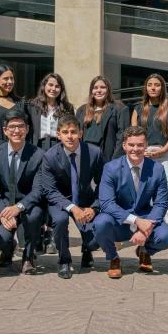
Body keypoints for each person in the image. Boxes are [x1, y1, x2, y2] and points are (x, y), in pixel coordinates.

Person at [23, 115, 105, 279]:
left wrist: (94, 208)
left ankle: (87, 249)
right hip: (59, 200)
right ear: (58, 135)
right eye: (65, 132)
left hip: (85, 199)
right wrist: (72, 208)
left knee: (94, 241)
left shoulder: (94, 153)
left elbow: (103, 183)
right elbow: (50, 190)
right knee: (60, 221)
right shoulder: (50, 156)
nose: (70, 136)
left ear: (81, 133)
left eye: (74, 132)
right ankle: (64, 260)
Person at [94, 127, 168, 278]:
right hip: (119, 220)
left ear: (146, 146)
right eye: (131, 145)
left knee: (167, 237)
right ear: (124, 145)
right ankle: (113, 258)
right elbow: (106, 204)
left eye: (140, 145)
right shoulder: (111, 168)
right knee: (100, 224)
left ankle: (144, 251)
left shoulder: (157, 169)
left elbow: (161, 203)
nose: (135, 149)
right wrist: (137, 221)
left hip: (145, 216)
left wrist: (147, 226)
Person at [0, 110, 45, 274]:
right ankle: (7, 250)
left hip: (28, 205)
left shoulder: (38, 155)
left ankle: (28, 257)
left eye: (21, 126)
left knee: (35, 216)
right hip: (4, 206)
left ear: (28, 128)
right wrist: (3, 211)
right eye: (12, 127)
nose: (16, 131)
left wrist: (19, 207)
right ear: (5, 130)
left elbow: (39, 189)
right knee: (1, 238)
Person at [131, 73, 168, 235]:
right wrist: (141, 150)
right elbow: (133, 133)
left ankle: (163, 226)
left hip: (163, 153)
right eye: (150, 84)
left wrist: (164, 149)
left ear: (162, 88)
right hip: (142, 154)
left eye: (157, 85)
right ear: (146, 87)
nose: (153, 87)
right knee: (143, 192)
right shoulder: (138, 108)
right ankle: (143, 226)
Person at [76, 75, 129, 162]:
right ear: (91, 91)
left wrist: (115, 161)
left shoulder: (120, 108)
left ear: (108, 90)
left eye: (103, 87)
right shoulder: (82, 110)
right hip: (85, 156)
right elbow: (77, 134)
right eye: (95, 88)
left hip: (108, 157)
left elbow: (123, 135)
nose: (99, 90)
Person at [28, 72, 74, 151]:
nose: (53, 89)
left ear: (61, 89)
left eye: (57, 86)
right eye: (50, 85)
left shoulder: (67, 108)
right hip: (37, 146)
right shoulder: (32, 106)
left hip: (59, 146)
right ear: (44, 86)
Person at [0, 63, 29, 146]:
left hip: (17, 149)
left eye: (11, 78)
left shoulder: (21, 103)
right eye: (6, 79)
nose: (10, 82)